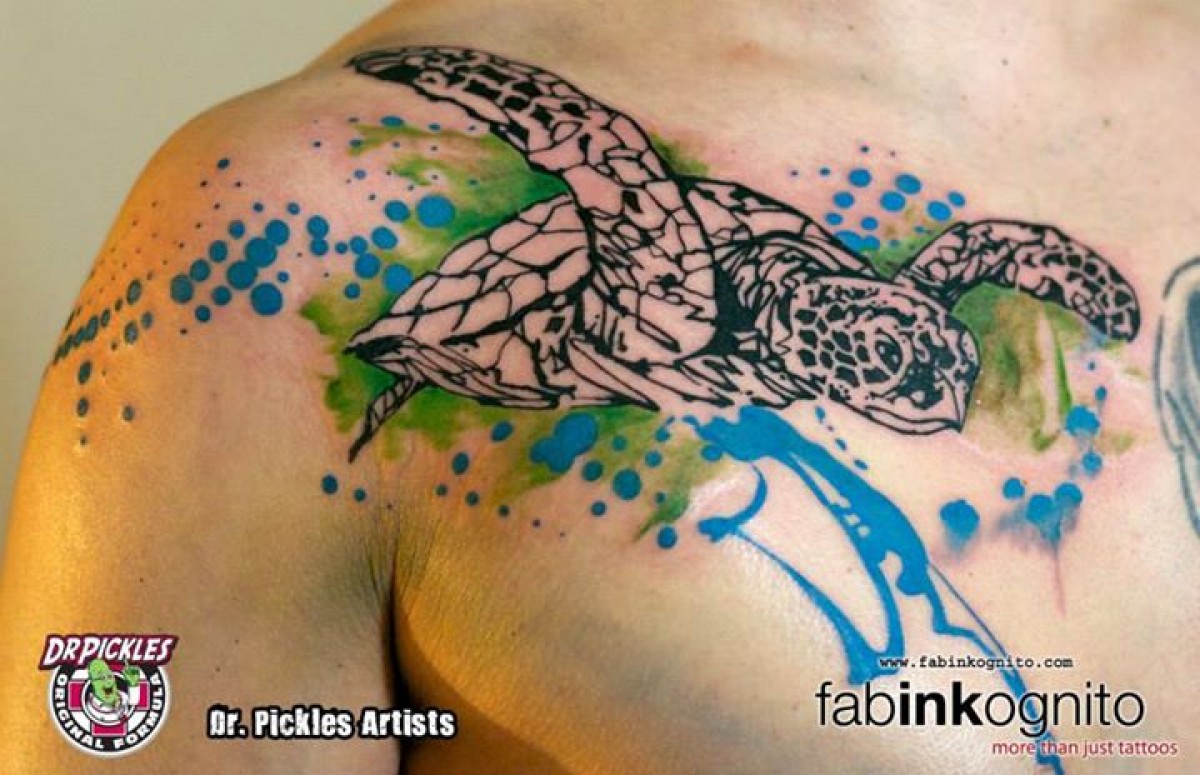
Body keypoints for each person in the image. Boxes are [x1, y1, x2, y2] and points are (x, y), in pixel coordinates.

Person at [2, 1, 1198, 772]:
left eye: (897, 358)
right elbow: (611, 172)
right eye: (884, 343)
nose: (887, 351)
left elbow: (966, 261)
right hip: (555, 324)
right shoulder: (284, 224)